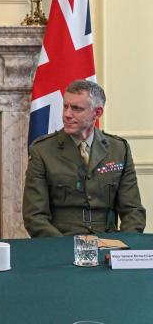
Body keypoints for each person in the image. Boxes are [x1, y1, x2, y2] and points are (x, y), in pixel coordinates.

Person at [23, 79, 146, 237]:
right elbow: (34, 216)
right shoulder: (42, 150)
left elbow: (133, 210)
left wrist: (124, 247)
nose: (67, 114)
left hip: (108, 242)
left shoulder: (119, 149)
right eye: (65, 106)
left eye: (76, 108)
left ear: (97, 112)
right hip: (61, 242)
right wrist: (64, 247)